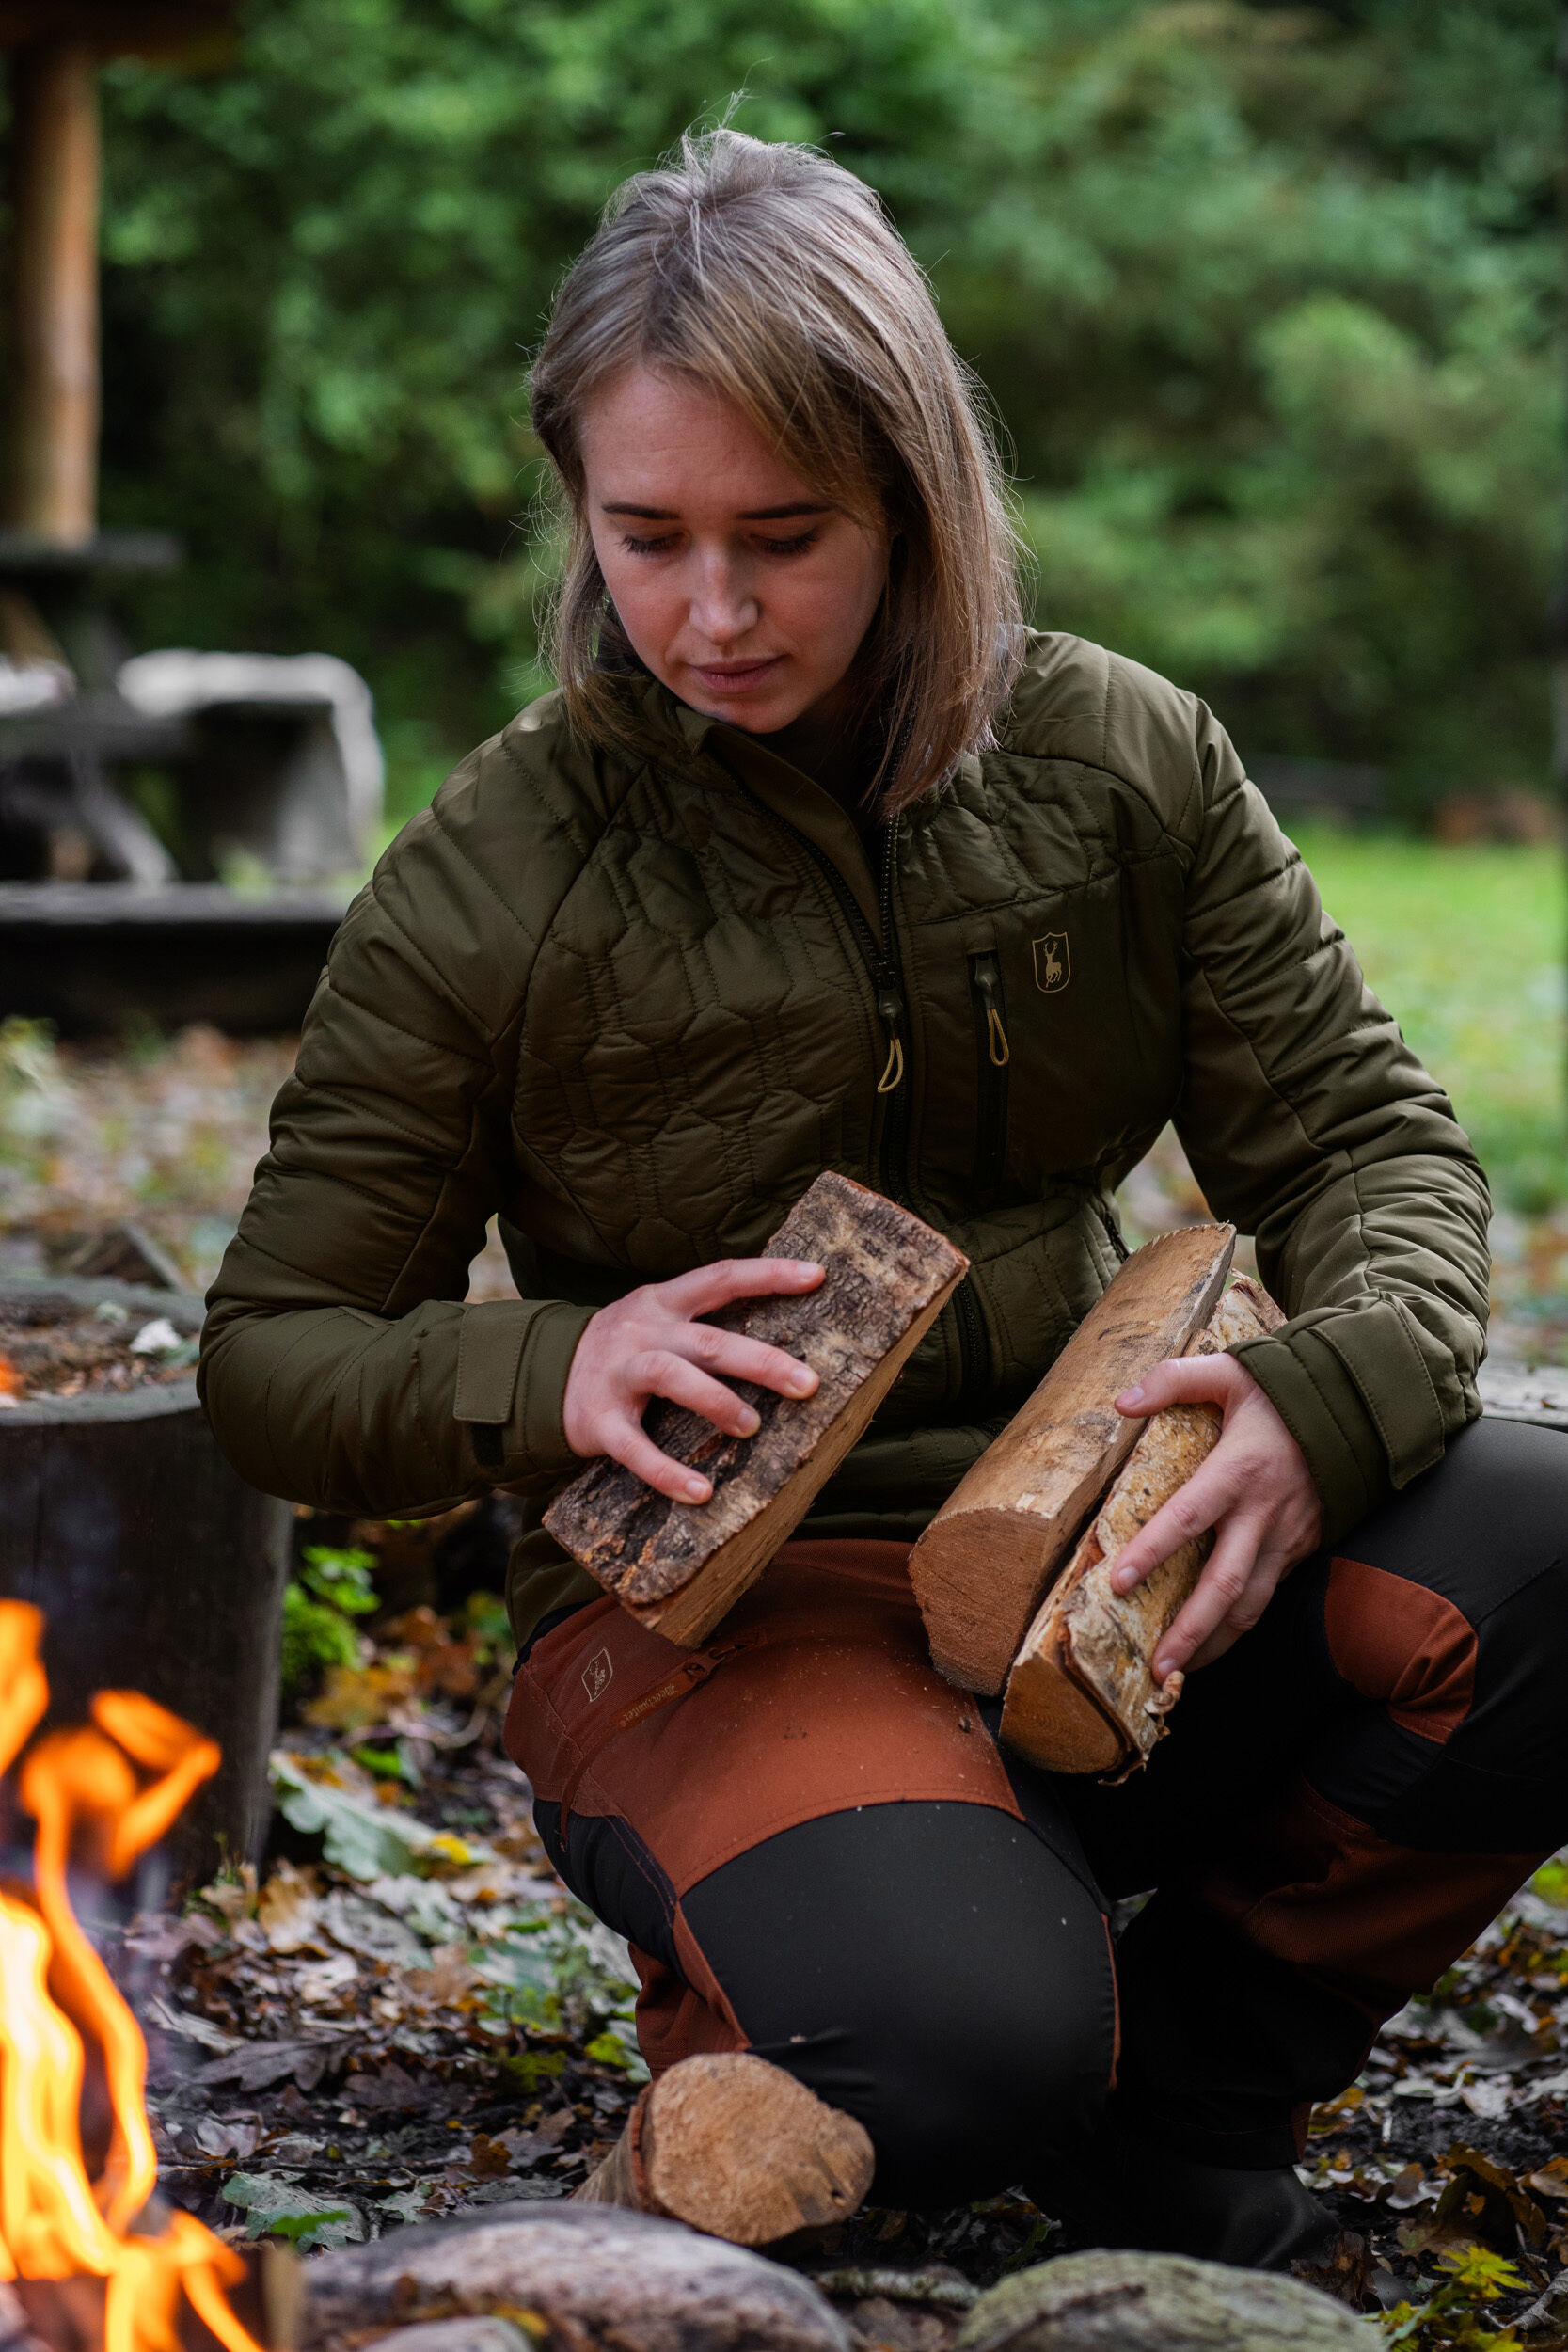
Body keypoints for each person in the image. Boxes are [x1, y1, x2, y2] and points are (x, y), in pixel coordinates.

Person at [200, 127, 1568, 2268]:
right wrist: (567, 1362)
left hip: (1110, 1550)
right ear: (578, 503)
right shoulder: (498, 867)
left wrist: (1328, 1397)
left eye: (787, 535)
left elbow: (1375, 1149)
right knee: (951, 2056)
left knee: (1552, 1536)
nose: (712, 611)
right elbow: (275, 1355)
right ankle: (911, 1993)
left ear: (918, 497)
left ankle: (1190, 2088)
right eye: (645, 536)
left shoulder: (1125, 762)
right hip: (737, 1624)